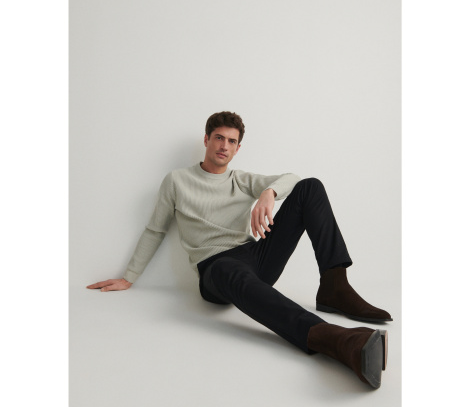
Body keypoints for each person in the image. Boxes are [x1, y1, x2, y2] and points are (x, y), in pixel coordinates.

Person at [87, 111, 393, 389]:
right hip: (215, 268)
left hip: (255, 258)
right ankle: (338, 340)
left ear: (237, 148)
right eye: (219, 138)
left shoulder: (241, 180)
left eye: (231, 141)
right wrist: (129, 276)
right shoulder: (177, 181)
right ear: (206, 140)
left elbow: (293, 180)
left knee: (310, 187)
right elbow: (155, 229)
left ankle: (334, 288)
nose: (224, 146)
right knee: (227, 269)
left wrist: (268, 193)